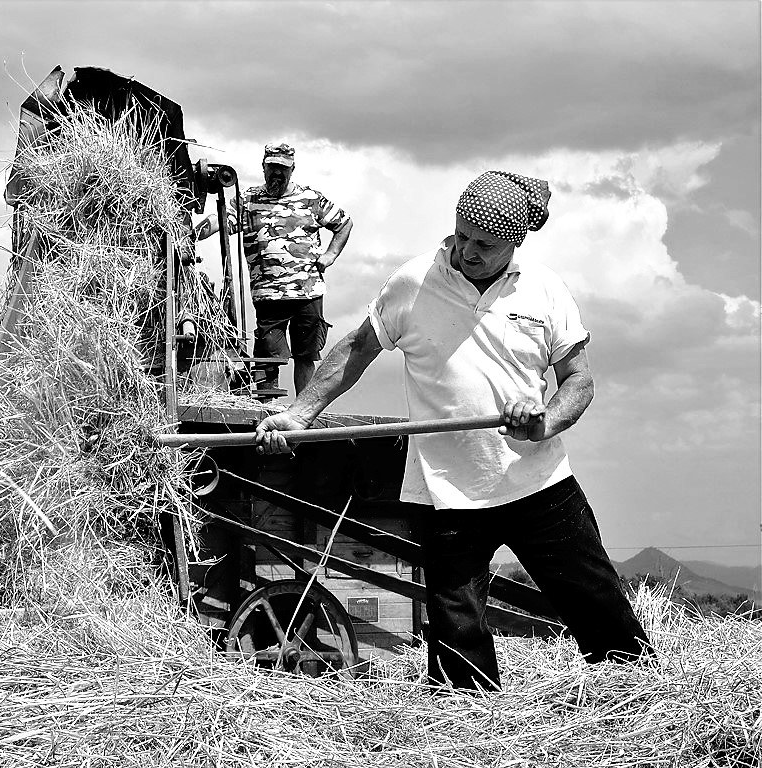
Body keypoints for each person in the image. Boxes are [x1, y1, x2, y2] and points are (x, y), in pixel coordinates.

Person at [254, 171, 652, 691]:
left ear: (515, 243)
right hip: (446, 490)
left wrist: (545, 422)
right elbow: (357, 348)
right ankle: (471, 714)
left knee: (597, 603)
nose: (467, 251)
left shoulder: (546, 288)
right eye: (462, 236)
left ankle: (635, 694)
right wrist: (300, 413)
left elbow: (579, 379)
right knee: (456, 632)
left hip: (539, 481)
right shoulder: (414, 282)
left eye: (484, 245)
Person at [195, 143, 353, 395]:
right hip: (268, 294)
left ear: (292, 169)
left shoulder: (310, 199)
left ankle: (303, 411)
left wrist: (330, 255)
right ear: (263, 167)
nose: (277, 172)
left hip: (307, 292)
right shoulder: (248, 200)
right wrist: (193, 233)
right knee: (268, 357)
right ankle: (268, 409)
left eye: (283, 168)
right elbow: (221, 221)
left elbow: (344, 223)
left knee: (306, 356)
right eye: (272, 167)